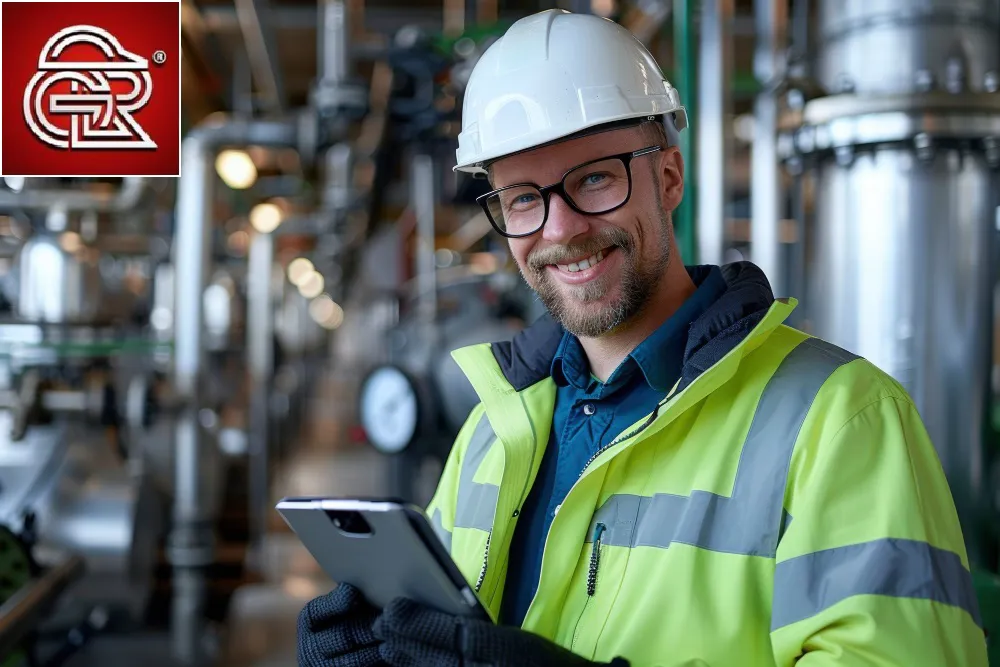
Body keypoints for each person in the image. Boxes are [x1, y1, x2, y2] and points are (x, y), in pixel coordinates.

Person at [298, 9, 987, 667]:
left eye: (594, 178)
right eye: (524, 199)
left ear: (668, 176)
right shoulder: (490, 430)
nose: (561, 229)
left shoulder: (843, 420)